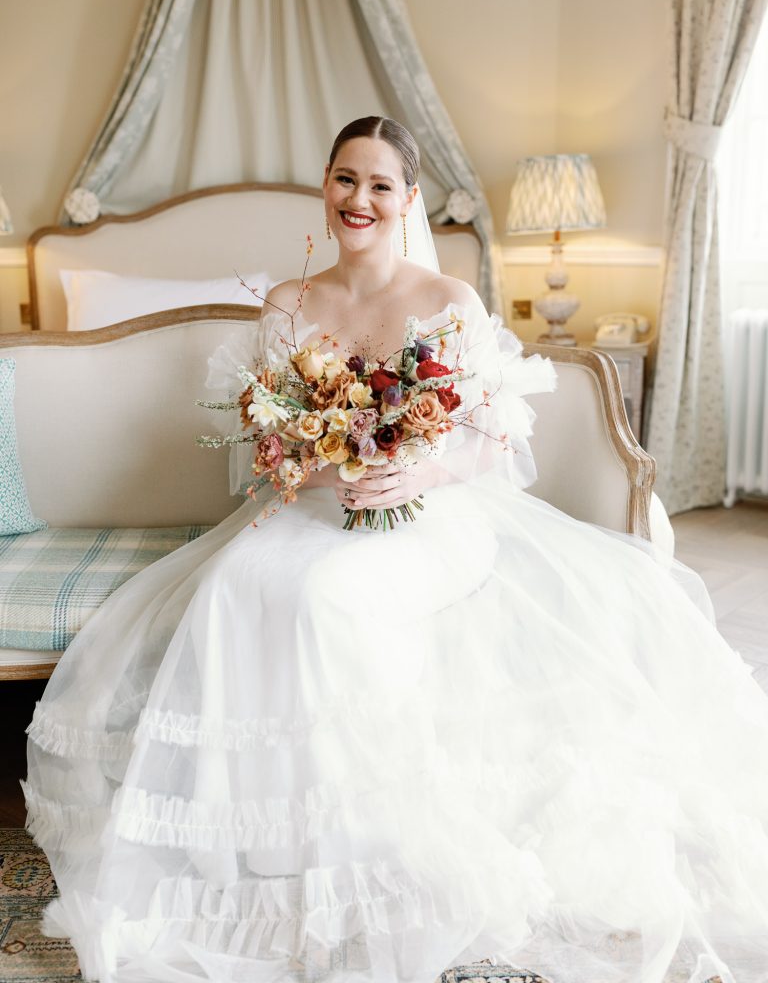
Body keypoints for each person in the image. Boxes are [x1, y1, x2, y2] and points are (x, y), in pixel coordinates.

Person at [23, 116, 768, 983]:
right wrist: (311, 455)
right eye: (345, 180)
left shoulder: (447, 301)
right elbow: (264, 453)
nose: (360, 200)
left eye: (380, 185)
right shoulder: (288, 305)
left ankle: (367, 849)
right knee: (234, 588)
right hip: (315, 511)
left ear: (408, 199)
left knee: (324, 599)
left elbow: (494, 441)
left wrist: (416, 476)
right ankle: (258, 851)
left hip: (437, 517)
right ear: (326, 188)